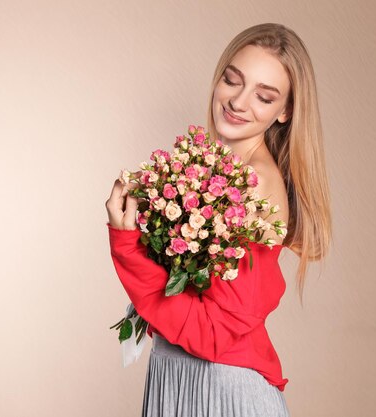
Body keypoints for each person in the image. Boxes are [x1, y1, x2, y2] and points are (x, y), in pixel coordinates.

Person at [105, 23, 332, 417]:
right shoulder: (210, 174)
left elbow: (212, 333)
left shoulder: (256, 184)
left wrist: (128, 247)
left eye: (264, 97)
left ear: (286, 111)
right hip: (184, 381)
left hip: (224, 393)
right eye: (232, 80)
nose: (239, 102)